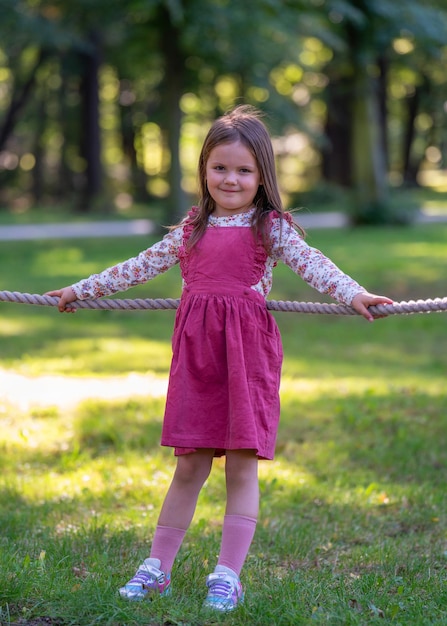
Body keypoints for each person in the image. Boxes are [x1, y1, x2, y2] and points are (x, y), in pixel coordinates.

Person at [46, 105, 393, 612]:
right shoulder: (191, 228)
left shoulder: (269, 227)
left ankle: (227, 575)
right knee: (188, 464)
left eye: (244, 170)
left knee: (241, 467)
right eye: (220, 168)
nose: (231, 179)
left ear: (262, 176)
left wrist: (354, 294)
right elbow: (139, 266)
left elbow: (314, 264)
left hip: (246, 359)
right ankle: (157, 569)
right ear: (204, 170)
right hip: (197, 359)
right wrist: (82, 289)